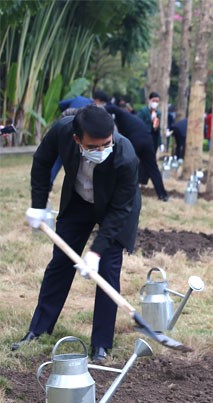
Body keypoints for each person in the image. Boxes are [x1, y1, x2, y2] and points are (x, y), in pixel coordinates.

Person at [14, 106, 142, 364]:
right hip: (79, 202)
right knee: (60, 263)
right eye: (93, 147)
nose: (101, 150)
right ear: (77, 140)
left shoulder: (125, 155)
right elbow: (41, 162)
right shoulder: (62, 131)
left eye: (106, 144)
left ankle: (102, 345)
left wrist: (95, 252)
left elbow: (119, 211)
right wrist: (38, 204)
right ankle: (38, 329)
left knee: (107, 269)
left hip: (116, 209)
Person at [104, 103, 169, 201]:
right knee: (153, 168)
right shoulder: (132, 119)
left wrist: (99, 106)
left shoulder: (121, 114)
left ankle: (119, 190)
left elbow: (112, 108)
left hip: (136, 140)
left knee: (122, 163)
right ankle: (162, 194)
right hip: (148, 140)